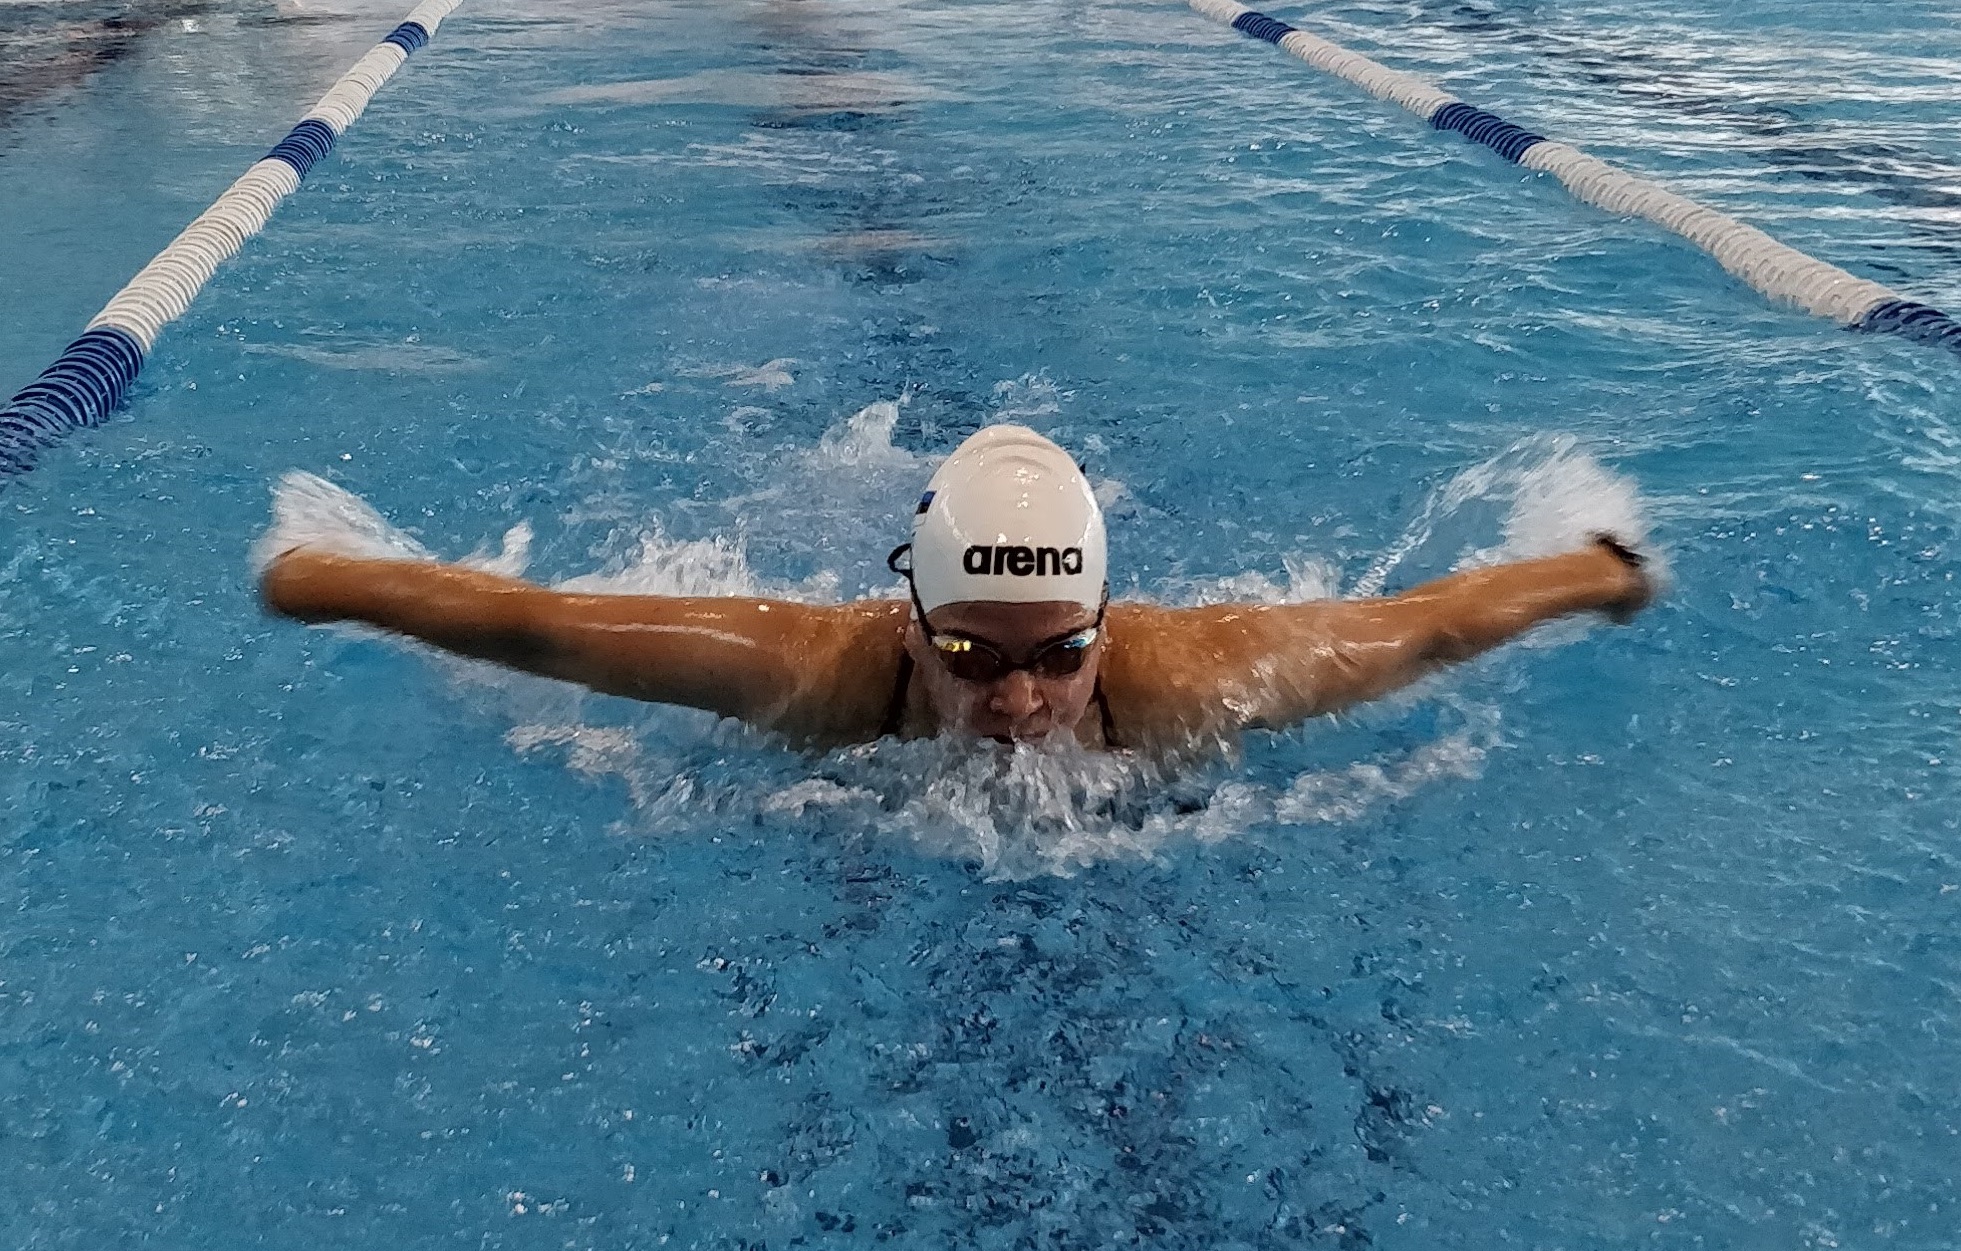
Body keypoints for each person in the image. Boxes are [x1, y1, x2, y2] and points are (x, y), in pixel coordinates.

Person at [259, 425, 1655, 755]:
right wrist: (320, 577)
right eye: (973, 660)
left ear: (1110, 619)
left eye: (1058, 653)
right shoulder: (810, 670)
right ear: (908, 621)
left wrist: (1593, 574)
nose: (1023, 700)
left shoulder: (1197, 676)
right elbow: (540, 622)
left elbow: (1426, 618)